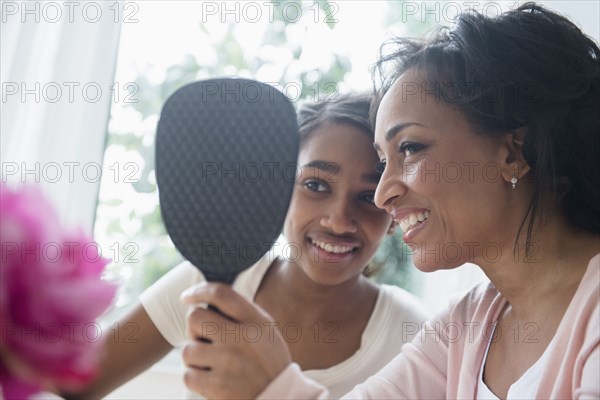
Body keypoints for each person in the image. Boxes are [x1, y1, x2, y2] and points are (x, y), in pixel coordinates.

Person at [181, 3, 600, 399]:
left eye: (411, 148)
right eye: (384, 162)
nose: (383, 195)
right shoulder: (467, 325)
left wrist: (275, 386)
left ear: (513, 152)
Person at [64, 94, 430, 399]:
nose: (338, 221)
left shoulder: (413, 335)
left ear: (393, 211)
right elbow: (75, 382)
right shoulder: (211, 283)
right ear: (277, 190)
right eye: (316, 185)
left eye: (368, 196)